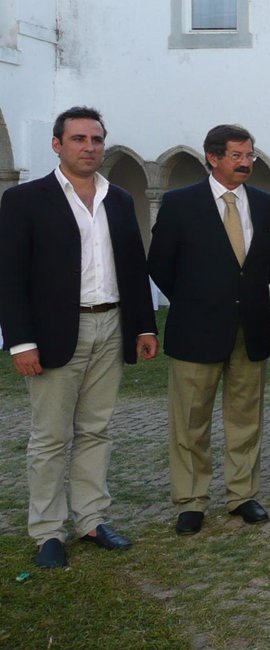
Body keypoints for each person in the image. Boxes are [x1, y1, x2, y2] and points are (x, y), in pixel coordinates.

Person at [0, 106, 158, 568]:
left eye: (96, 139)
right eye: (78, 139)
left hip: (111, 325)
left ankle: (91, 518)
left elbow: (133, 267)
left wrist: (144, 325)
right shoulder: (26, 200)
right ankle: (48, 531)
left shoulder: (119, 199)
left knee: (96, 430)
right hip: (54, 333)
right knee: (50, 437)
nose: (89, 147)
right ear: (57, 145)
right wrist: (21, 341)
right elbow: (10, 275)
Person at [147, 124, 270, 536]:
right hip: (196, 328)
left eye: (249, 155)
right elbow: (160, 264)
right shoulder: (179, 203)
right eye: (237, 155)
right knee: (190, 421)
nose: (245, 163)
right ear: (213, 157)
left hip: (250, 327)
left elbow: (268, 264)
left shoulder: (267, 205)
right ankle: (191, 501)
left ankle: (242, 495)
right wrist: (196, 300)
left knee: (246, 417)